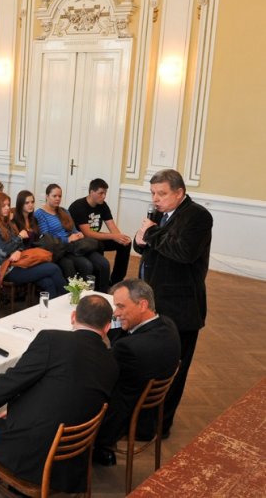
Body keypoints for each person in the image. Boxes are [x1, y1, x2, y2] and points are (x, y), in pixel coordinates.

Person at [0, 295, 119, 494]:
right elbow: (67, 393)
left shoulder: (53, 340)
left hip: (31, 453)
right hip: (71, 461)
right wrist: (17, 408)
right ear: (107, 328)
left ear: (73, 316)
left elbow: (11, 382)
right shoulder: (111, 363)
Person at [133, 169, 212, 437]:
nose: (155, 199)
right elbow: (145, 247)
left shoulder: (198, 216)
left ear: (179, 193)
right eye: (153, 193)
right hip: (155, 302)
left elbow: (183, 252)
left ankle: (161, 425)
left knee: (173, 370)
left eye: (162, 194)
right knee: (153, 365)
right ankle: (143, 420)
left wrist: (152, 233)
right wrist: (140, 239)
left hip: (182, 308)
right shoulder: (161, 215)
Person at [94, 279, 181, 466]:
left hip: (125, 416)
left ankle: (91, 448)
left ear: (142, 304)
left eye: (121, 306)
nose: (116, 313)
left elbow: (100, 372)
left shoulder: (128, 348)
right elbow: (125, 335)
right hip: (151, 409)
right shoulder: (167, 325)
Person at [0, 192, 67, 299]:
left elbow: (21, 245)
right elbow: (3, 251)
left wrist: (18, 250)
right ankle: (69, 300)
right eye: (4, 206)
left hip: (17, 262)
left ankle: (52, 311)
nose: (8, 208)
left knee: (48, 281)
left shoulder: (7, 222)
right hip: (5, 269)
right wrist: (19, 237)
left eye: (8, 205)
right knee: (53, 268)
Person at [34, 184, 110, 291]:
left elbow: (73, 229)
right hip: (59, 247)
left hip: (74, 243)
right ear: (47, 196)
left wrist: (79, 234)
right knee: (86, 265)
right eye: (54, 196)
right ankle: (79, 294)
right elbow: (47, 238)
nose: (57, 199)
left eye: (59, 196)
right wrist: (68, 239)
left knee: (102, 262)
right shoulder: (40, 214)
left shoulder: (64, 211)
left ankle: (97, 293)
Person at [69, 178, 132, 284]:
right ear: (91, 192)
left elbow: (112, 226)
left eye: (105, 193)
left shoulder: (103, 205)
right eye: (101, 193)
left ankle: (116, 280)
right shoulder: (78, 206)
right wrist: (113, 236)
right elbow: (88, 233)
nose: (104, 196)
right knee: (102, 244)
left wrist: (120, 237)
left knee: (126, 243)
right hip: (82, 240)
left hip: (96, 238)